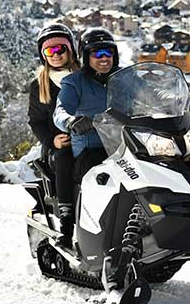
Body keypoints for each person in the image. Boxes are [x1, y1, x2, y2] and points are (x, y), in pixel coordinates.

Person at [53, 27, 121, 245]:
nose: (104, 58)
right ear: (85, 56)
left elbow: (147, 95)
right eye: (97, 53)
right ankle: (74, 225)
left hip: (125, 146)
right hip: (91, 148)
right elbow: (60, 111)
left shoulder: (123, 79)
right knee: (100, 174)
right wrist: (71, 121)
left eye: (108, 53)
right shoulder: (74, 82)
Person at [27, 23, 79, 244]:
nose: (56, 55)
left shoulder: (84, 77)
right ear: (43, 55)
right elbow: (36, 121)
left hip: (93, 140)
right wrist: (52, 140)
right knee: (64, 159)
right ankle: (66, 221)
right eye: (50, 51)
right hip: (60, 146)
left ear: (70, 50)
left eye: (61, 49)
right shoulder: (40, 85)